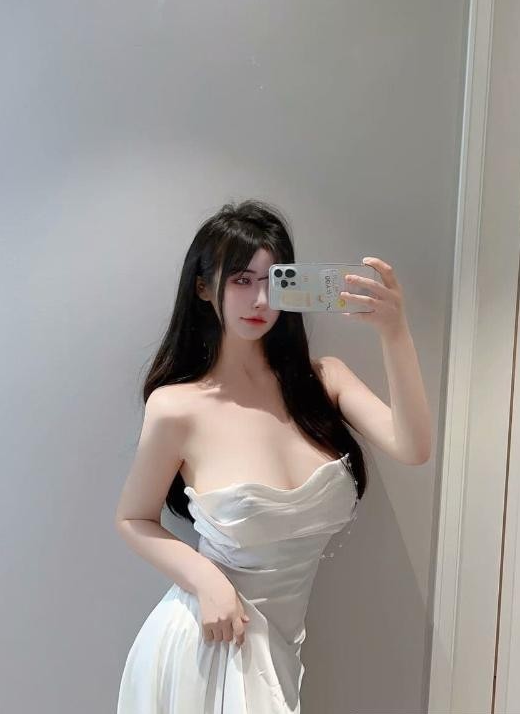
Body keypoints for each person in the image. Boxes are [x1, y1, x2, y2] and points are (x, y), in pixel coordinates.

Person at [115, 199, 380, 712]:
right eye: (240, 280)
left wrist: (394, 331)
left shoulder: (322, 383)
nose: (259, 299)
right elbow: (133, 518)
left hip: (281, 648)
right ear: (203, 288)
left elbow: (415, 447)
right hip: (205, 642)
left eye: (272, 281)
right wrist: (205, 579)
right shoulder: (177, 405)